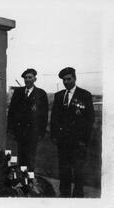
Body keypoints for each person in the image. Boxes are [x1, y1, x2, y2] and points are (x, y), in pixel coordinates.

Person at [51, 67, 94, 197]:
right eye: (64, 79)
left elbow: (89, 120)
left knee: (78, 171)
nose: (66, 82)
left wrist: (83, 141)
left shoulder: (84, 95)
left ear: (75, 78)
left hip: (78, 142)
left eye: (69, 79)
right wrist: (54, 136)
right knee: (64, 170)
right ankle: (64, 195)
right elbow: (54, 118)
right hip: (62, 142)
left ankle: (78, 197)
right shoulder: (59, 96)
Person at [7, 68, 48, 171]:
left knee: (30, 158)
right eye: (25, 78)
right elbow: (12, 111)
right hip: (20, 132)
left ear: (35, 79)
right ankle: (22, 180)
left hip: (33, 132)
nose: (27, 80)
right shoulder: (18, 92)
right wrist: (11, 129)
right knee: (21, 157)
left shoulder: (41, 93)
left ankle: (29, 181)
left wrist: (41, 133)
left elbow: (44, 116)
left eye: (30, 77)